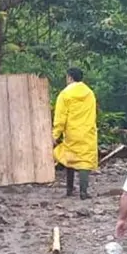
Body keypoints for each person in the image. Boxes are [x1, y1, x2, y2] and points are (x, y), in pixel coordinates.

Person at [53, 67, 99, 199]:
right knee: (85, 161)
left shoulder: (65, 94)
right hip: (87, 132)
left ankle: (69, 189)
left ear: (70, 77)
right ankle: (83, 192)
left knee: (69, 158)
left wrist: (55, 134)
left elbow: (60, 117)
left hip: (72, 132)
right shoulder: (89, 93)